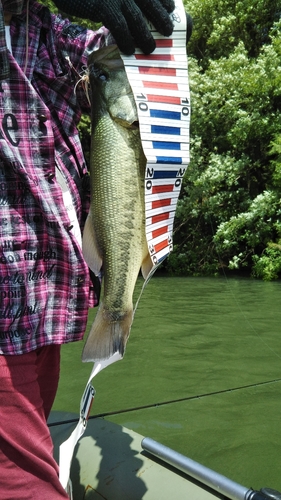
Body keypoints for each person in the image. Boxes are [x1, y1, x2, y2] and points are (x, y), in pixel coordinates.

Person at [0, 0, 176, 498]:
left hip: (43, 306)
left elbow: (103, 51)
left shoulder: (39, 25)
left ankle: (114, 313)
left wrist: (146, 32)